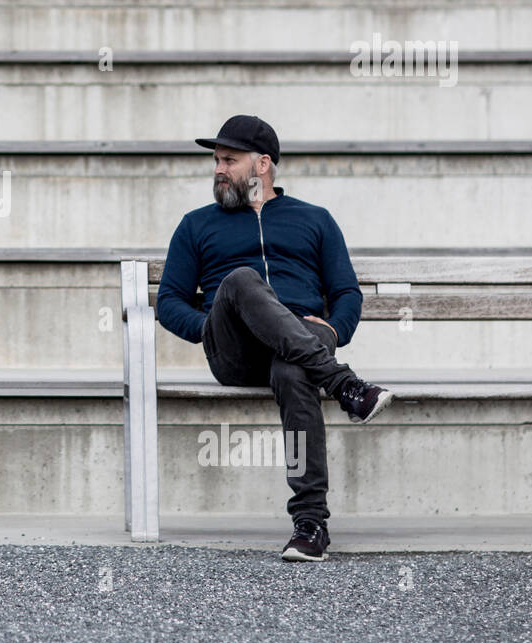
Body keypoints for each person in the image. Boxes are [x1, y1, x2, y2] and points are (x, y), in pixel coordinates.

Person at [156, 115, 393, 562]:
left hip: (303, 344)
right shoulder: (196, 225)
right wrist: (206, 329)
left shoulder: (315, 220)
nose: (218, 169)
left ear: (262, 164)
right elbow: (169, 302)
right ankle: (346, 385)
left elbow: (345, 293)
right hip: (235, 350)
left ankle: (310, 526)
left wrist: (333, 329)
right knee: (242, 279)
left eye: (229, 159)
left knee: (293, 368)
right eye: (216, 160)